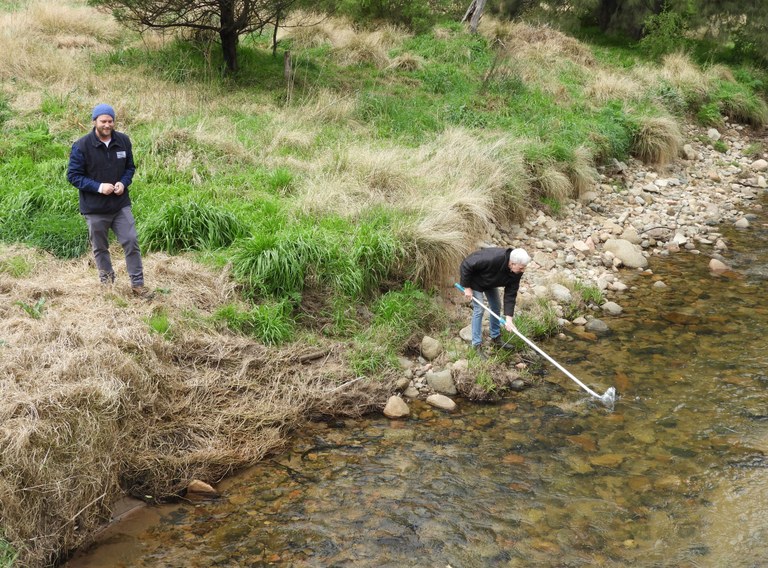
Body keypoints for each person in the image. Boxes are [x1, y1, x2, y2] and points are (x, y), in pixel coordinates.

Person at [67, 103, 152, 298]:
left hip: (120, 205)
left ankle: (138, 285)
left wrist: (123, 182)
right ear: (94, 121)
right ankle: (108, 285)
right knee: (101, 248)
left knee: (131, 241)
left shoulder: (123, 141)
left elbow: (130, 167)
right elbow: (73, 176)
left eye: (110, 121)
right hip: (94, 209)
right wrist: (99, 187)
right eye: (103, 121)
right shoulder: (81, 146)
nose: (107, 124)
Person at [459, 247, 532, 358]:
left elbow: (510, 294)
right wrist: (467, 287)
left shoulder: (517, 271)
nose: (523, 271)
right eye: (521, 268)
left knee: (496, 306)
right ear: (512, 263)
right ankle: (476, 345)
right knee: (479, 309)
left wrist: (509, 319)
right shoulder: (493, 258)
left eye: (524, 268)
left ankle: (496, 338)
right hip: (475, 282)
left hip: (490, 283)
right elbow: (466, 264)